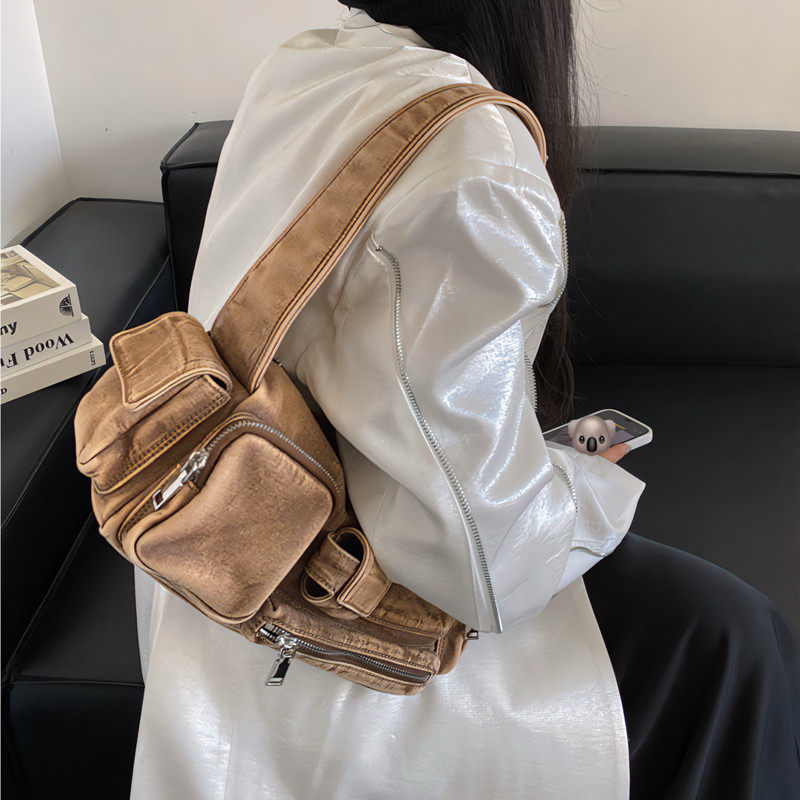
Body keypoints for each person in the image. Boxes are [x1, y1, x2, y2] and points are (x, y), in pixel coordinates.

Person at [130, 4, 800, 798]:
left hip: (212, 580)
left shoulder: (309, 66)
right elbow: (487, 569)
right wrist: (590, 483)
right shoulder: (470, 149)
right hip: (348, 636)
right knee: (735, 642)